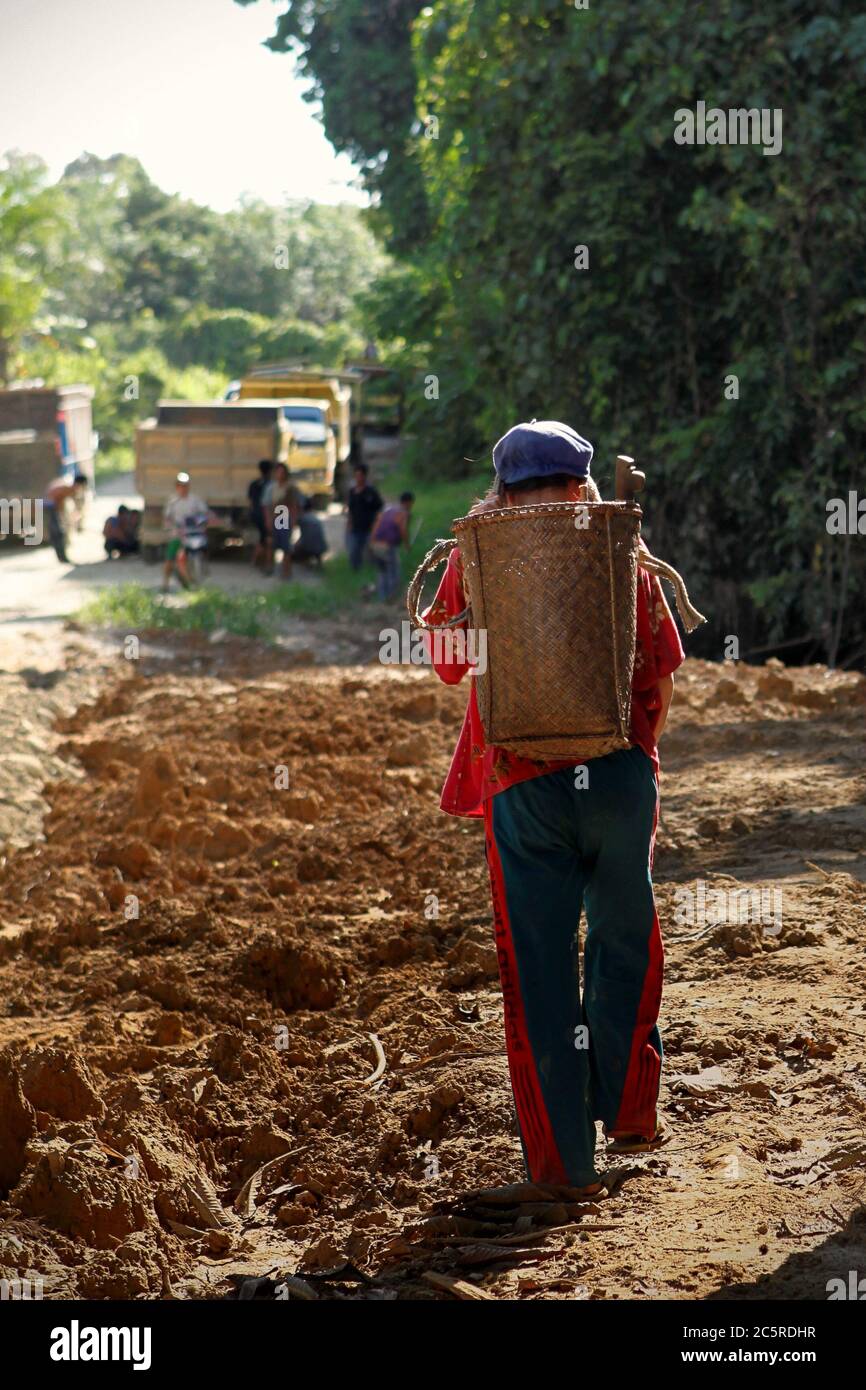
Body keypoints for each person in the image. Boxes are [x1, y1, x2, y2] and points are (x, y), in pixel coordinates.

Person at [423, 421, 685, 1197]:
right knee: (625, 938)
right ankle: (633, 1108)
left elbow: (445, 664)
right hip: (619, 779)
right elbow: (661, 676)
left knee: (537, 974)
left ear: (502, 487)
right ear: (584, 483)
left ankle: (563, 1169)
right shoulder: (618, 549)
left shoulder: (478, 553)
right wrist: (632, 762)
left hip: (521, 788)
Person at [162, 472, 209, 593]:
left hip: (193, 534)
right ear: (177, 486)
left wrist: (202, 523)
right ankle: (165, 584)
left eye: (185, 485)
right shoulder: (173, 502)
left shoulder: (195, 500)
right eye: (181, 485)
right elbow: (167, 519)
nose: (183, 488)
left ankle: (199, 576)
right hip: (177, 535)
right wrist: (171, 527)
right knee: (170, 559)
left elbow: (204, 514)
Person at [369, 490, 414, 600]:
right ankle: (391, 596)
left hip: (376, 544)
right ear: (408, 502)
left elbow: (377, 523)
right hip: (388, 546)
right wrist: (407, 545)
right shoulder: (402, 513)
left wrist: (372, 541)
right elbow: (402, 529)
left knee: (382, 571)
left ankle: (382, 597)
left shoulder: (388, 509)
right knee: (393, 570)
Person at [262, 461, 302, 581]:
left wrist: (294, 520)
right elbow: (266, 505)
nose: (280, 475)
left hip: (284, 517)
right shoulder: (271, 488)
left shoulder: (290, 488)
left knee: (285, 546)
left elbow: (294, 505)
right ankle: (270, 567)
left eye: (282, 472)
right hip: (274, 517)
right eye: (278, 472)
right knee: (271, 544)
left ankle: (286, 571)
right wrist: (268, 519)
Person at [42, 472, 88, 563]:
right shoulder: (69, 488)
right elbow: (58, 502)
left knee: (58, 533)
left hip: (49, 505)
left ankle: (62, 557)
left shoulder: (67, 484)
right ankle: (62, 557)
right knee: (58, 533)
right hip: (49, 506)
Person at [345, 463, 383, 571]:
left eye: (360, 475)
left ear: (364, 476)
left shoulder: (371, 492)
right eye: (356, 475)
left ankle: (372, 572)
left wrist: (376, 525)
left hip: (368, 528)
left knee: (370, 553)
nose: (358, 478)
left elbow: (379, 509)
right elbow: (350, 509)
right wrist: (349, 523)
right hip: (355, 528)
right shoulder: (352, 492)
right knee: (353, 552)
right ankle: (355, 571)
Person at [248, 459, 273, 570]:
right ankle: (264, 563)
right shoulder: (271, 485)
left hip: (255, 515)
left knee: (263, 539)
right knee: (267, 539)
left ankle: (257, 560)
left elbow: (250, 499)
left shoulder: (254, 484)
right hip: (266, 516)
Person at [293, 497, 328, 565]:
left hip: (309, 547)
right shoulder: (315, 517)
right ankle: (318, 561)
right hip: (322, 546)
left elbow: (292, 526)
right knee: (312, 540)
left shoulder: (302, 518)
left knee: (296, 546)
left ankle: (304, 561)